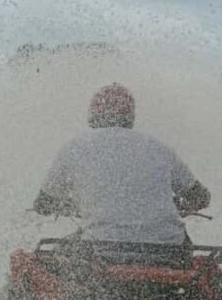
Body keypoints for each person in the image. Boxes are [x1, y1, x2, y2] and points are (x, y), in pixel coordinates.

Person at [33, 83, 209, 244]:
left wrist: (80, 206)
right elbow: (201, 197)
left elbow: (43, 203)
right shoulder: (159, 147)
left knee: (56, 256)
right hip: (169, 250)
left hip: (102, 249)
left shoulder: (73, 148)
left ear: (92, 114)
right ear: (130, 115)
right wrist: (172, 205)